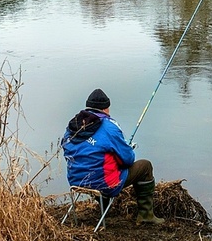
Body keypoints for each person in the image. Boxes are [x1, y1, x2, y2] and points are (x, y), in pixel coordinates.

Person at [61, 88, 165, 226]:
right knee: (145, 166)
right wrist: (127, 148)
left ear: (88, 107)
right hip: (103, 183)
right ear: (106, 109)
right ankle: (146, 215)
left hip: (76, 181)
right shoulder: (109, 127)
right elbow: (128, 160)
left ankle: (104, 205)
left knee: (100, 162)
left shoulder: (73, 125)